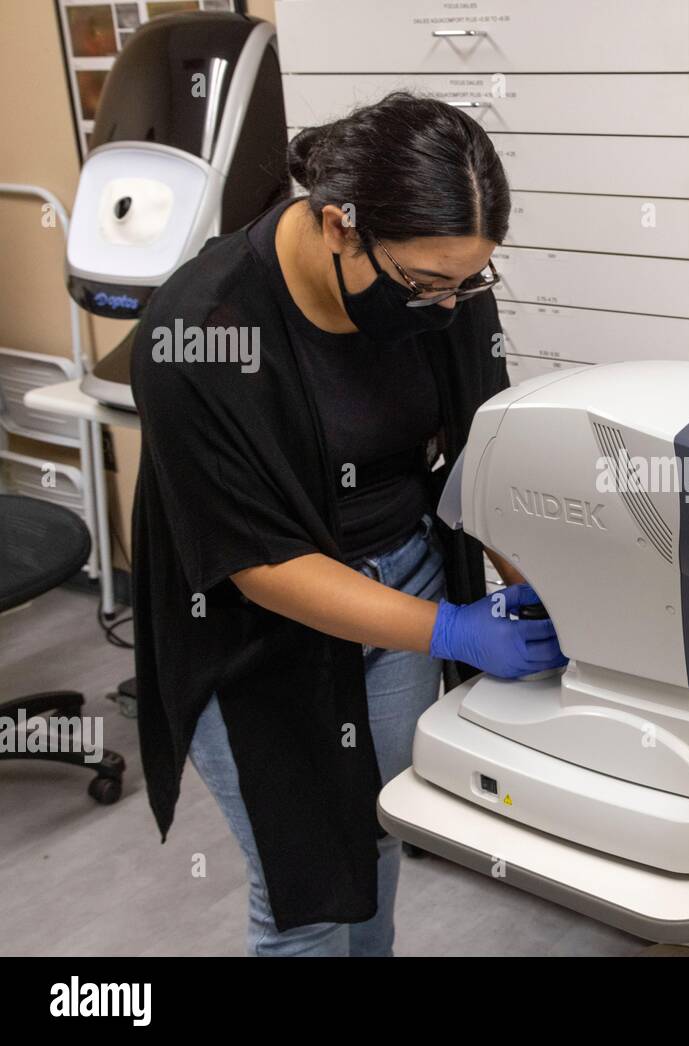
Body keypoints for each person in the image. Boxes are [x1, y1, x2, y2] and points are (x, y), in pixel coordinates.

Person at [130, 93, 565, 956]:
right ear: (338, 226)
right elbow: (262, 564)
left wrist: (539, 587)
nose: (448, 306)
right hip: (256, 632)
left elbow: (486, 450)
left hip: (401, 578)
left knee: (376, 837)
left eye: (467, 282)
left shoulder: (438, 283)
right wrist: (453, 630)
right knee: (308, 892)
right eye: (426, 284)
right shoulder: (199, 334)